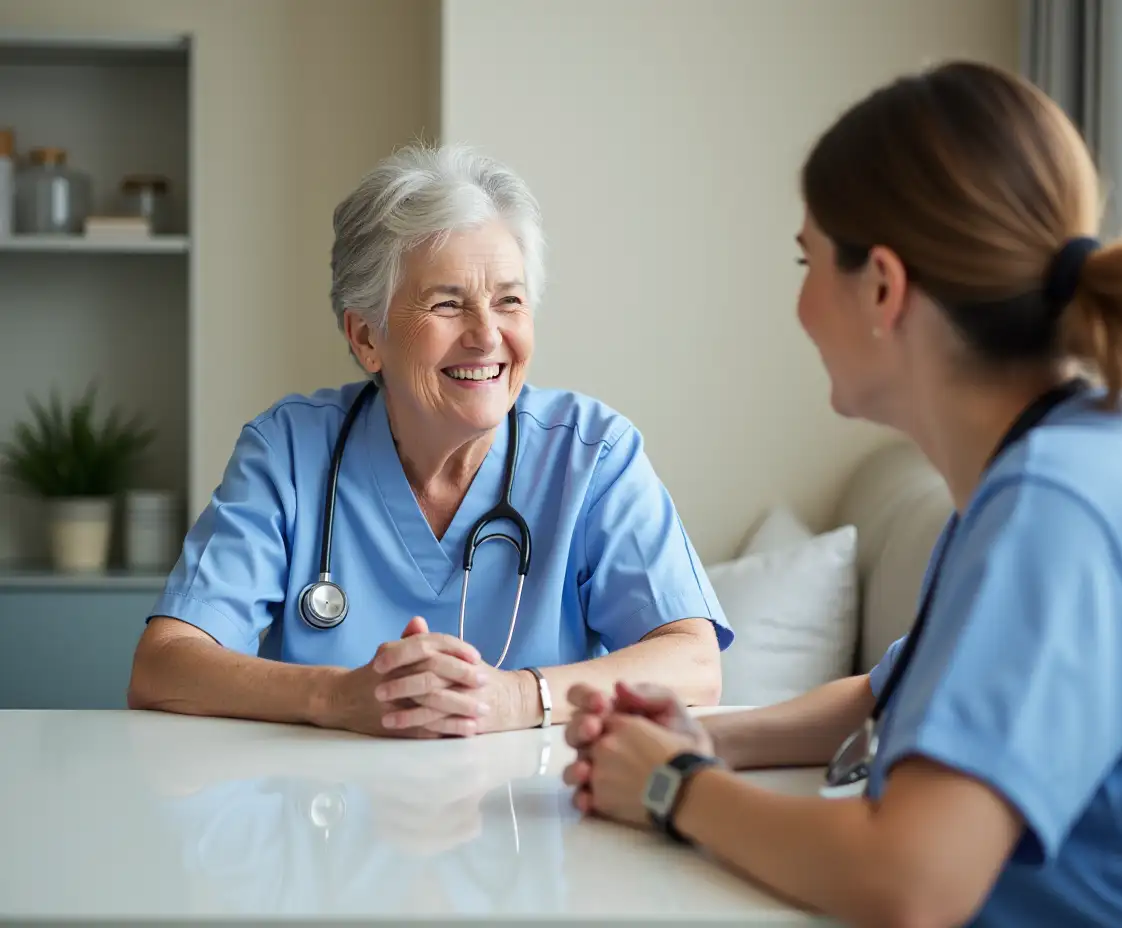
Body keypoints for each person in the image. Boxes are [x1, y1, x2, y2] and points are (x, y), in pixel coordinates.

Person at [563, 60, 1122, 927]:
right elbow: (891, 691)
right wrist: (703, 737)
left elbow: (911, 883)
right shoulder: (1047, 469)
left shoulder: (1061, 504)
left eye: (808, 261)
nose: (800, 305)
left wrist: (670, 786)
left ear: (882, 286)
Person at [128, 143, 729, 738]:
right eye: (448, 304)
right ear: (367, 337)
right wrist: (338, 696)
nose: (486, 335)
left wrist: (519, 696)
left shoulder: (592, 454)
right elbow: (164, 664)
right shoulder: (288, 451)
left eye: (509, 301)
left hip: (528, 818)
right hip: (327, 815)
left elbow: (694, 662)